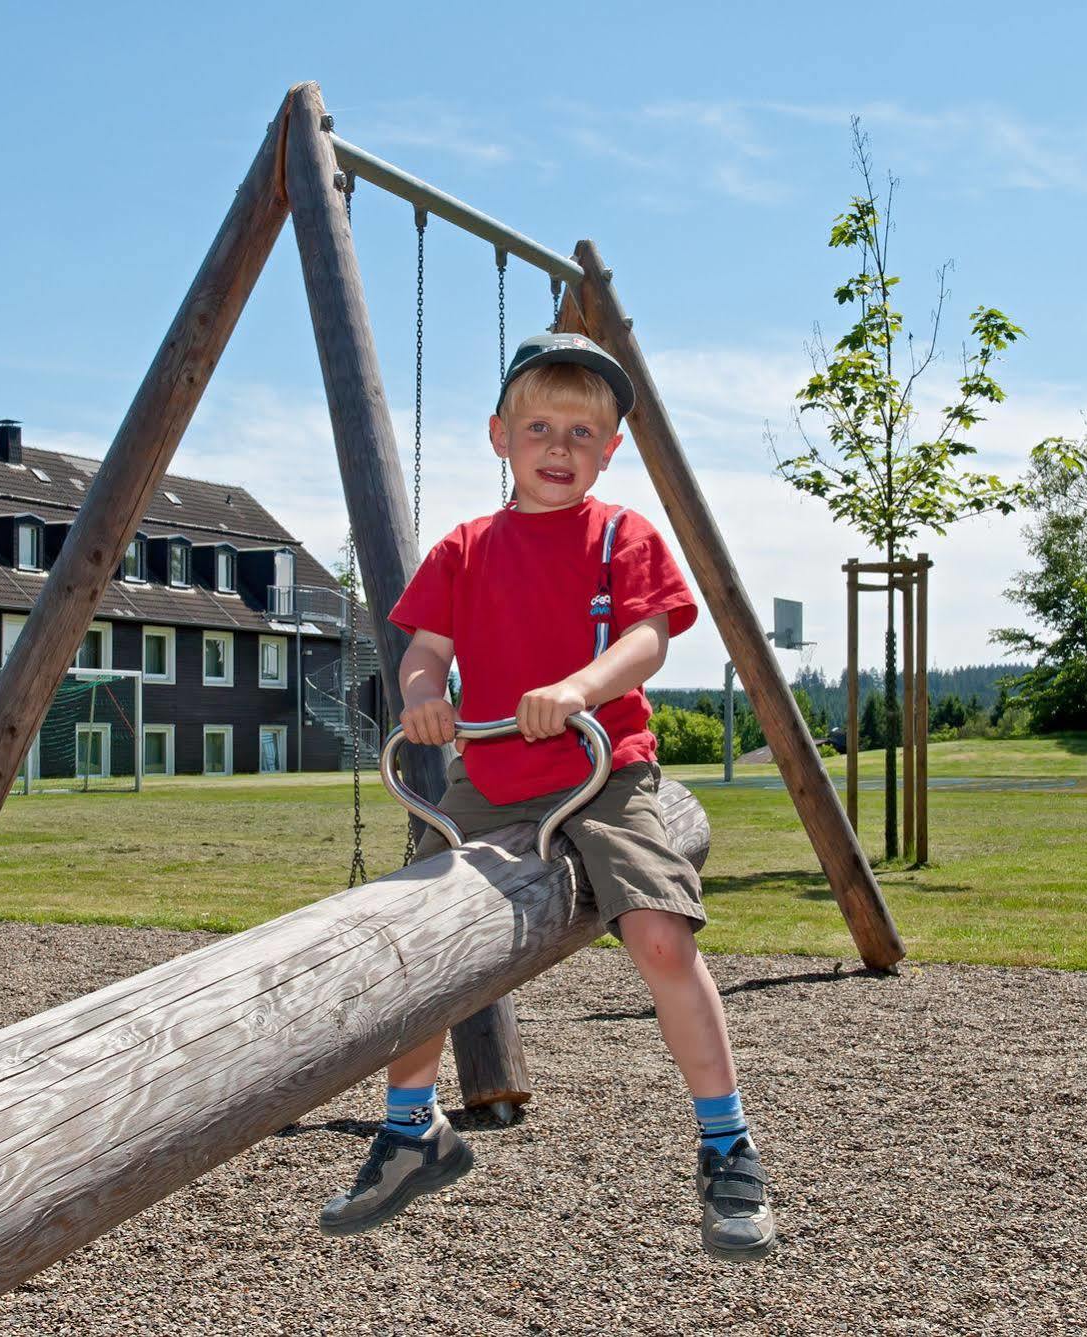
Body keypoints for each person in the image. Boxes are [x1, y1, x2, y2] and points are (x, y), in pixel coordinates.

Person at [316, 333, 775, 1261]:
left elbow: (647, 641)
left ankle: (727, 1144)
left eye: (580, 431)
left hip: (608, 770)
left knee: (659, 933)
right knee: (423, 942)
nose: (556, 446)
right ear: (498, 436)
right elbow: (425, 648)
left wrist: (577, 688)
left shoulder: (621, 535)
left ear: (606, 450)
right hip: (488, 779)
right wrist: (420, 698)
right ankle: (411, 1129)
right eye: (537, 427)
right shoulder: (466, 547)